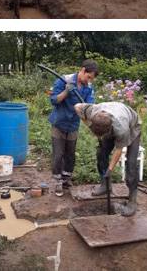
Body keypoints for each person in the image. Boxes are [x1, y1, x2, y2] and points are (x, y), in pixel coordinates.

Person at [75, 101, 142, 217]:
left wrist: (110, 169)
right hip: (110, 122)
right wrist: (88, 124)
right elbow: (76, 107)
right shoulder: (92, 111)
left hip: (132, 127)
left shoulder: (121, 128)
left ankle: (132, 201)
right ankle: (105, 185)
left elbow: (118, 149)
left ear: (109, 129)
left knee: (131, 164)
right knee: (101, 153)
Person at [48, 59, 97, 196]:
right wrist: (66, 92)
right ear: (82, 70)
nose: (89, 80)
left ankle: (66, 178)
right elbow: (53, 100)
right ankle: (57, 181)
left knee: (70, 155)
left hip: (73, 124)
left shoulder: (89, 88)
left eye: (91, 79)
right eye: (88, 77)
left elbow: (90, 105)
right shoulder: (64, 80)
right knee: (58, 155)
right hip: (59, 122)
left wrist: (89, 113)